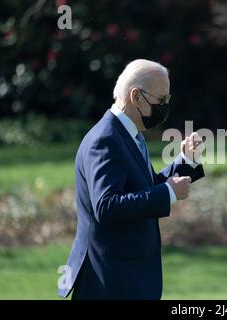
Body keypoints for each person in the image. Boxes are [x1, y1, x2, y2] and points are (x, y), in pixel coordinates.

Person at [57, 59, 205, 299]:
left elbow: (143, 187)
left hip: (129, 278)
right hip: (111, 281)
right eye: (161, 100)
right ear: (136, 96)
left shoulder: (129, 134)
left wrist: (185, 162)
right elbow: (107, 206)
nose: (165, 106)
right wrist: (167, 194)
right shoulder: (105, 139)